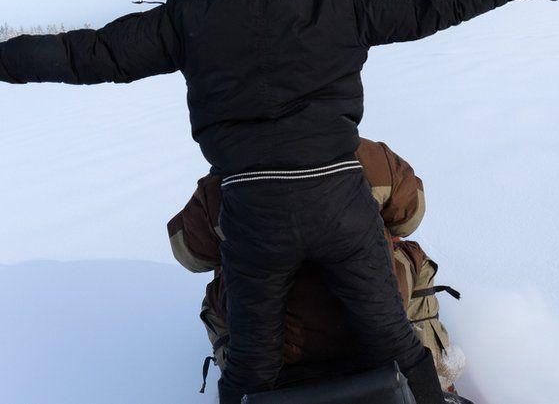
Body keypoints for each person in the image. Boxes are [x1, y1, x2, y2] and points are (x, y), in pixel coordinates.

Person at [0, 0, 559, 403]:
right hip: (339, 198)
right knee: (396, 341)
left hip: (252, 210)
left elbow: (89, 54)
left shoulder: (191, 9)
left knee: (252, 366)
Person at [168, 137, 465, 396]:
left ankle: (241, 379)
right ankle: (434, 373)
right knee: (411, 258)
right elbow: (410, 217)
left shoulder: (223, 183)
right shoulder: (369, 157)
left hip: (276, 350)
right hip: (375, 329)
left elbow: (189, 255)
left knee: (219, 288)